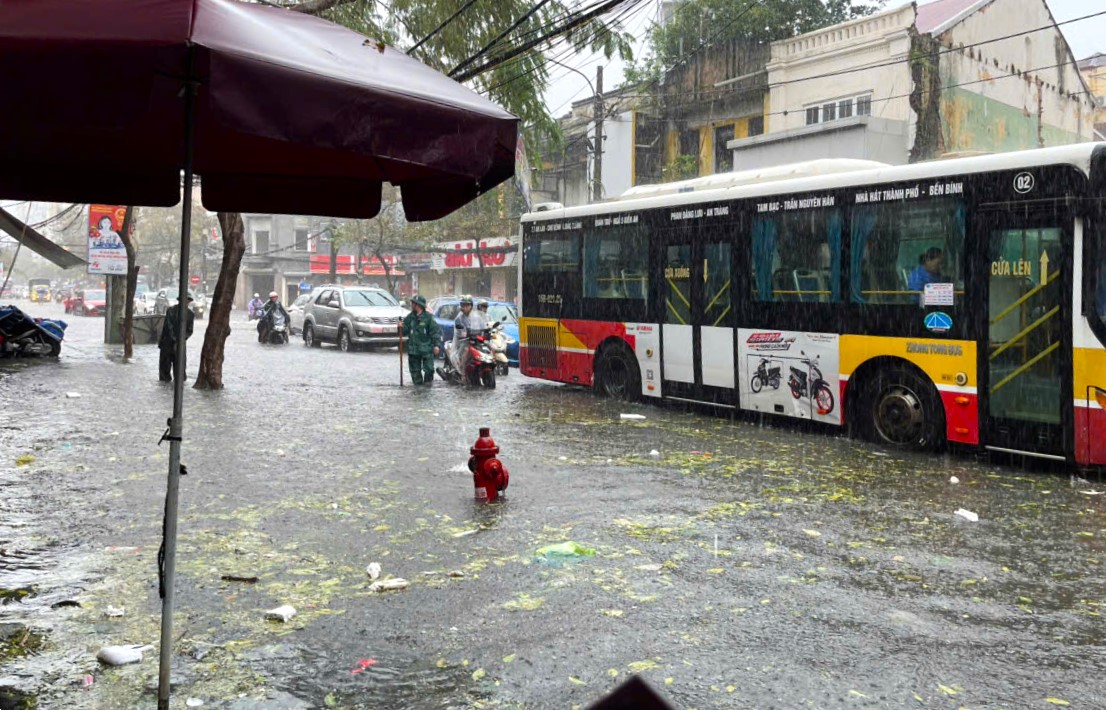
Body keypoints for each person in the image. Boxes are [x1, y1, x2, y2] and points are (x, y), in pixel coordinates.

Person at [402, 295, 441, 385]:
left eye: (413, 303)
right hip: (413, 350)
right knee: (415, 373)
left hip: (426, 349)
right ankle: (418, 390)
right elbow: (404, 331)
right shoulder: (410, 317)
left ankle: (427, 388)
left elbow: (435, 332)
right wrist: (400, 327)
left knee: (429, 370)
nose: (411, 305)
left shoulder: (428, 318)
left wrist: (436, 345)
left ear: (418, 305)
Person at [159, 291, 195, 382]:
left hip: (180, 344)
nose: (186, 302)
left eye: (188, 300)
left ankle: (179, 383)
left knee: (180, 370)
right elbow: (168, 326)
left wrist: (182, 339)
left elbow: (190, 330)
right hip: (167, 342)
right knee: (165, 369)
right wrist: (175, 339)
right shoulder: (171, 311)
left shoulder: (190, 314)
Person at [451, 295, 487, 374]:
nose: (465, 307)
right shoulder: (459, 318)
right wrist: (465, 333)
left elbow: (483, 326)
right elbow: (459, 331)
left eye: (467, 305)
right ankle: (463, 373)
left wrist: (486, 331)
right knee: (466, 350)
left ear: (471, 306)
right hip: (464, 341)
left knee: (489, 348)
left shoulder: (477, 317)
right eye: (463, 305)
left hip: (476, 340)